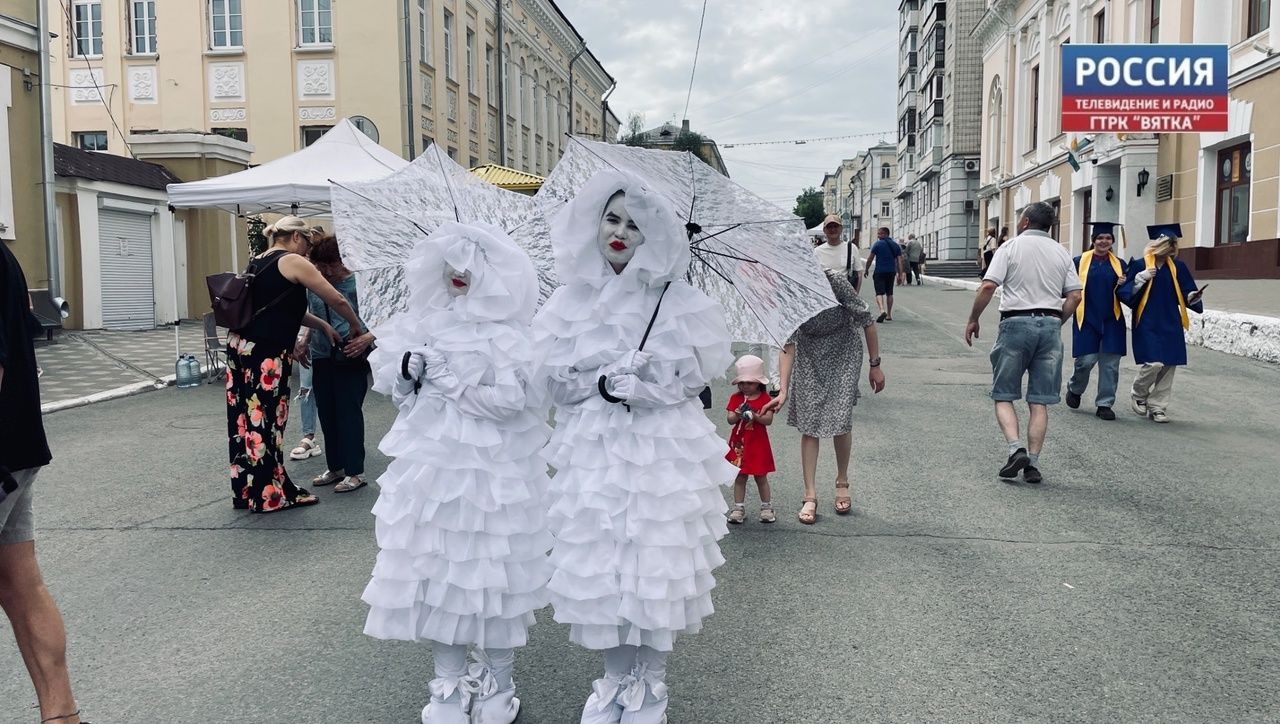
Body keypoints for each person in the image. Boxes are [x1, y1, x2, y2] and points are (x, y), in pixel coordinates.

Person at [532, 170, 735, 724]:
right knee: (604, 563)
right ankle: (615, 679)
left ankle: (650, 684)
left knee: (654, 560)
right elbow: (554, 385)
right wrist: (599, 378)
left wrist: (643, 388)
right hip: (593, 450)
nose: (620, 233)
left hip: (659, 450)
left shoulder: (676, 300)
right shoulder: (570, 299)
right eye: (612, 219)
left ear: (654, 235)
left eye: (634, 225)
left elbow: (692, 381)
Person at [362, 222, 551, 724]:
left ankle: (498, 684)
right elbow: (404, 401)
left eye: (470, 262)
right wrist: (408, 375)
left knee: (493, 575)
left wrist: (447, 381)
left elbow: (511, 403)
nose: (457, 272)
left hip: (494, 472)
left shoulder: (510, 335)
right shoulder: (423, 324)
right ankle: (447, 683)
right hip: (432, 469)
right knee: (436, 571)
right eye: (449, 262)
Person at [225, 216, 365, 513]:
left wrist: (321, 326)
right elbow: (337, 299)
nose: (308, 251)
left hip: (241, 347)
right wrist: (355, 326)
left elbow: (285, 309)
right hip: (267, 351)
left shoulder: (257, 260)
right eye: (308, 243)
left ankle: (248, 490)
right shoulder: (291, 260)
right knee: (267, 420)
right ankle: (270, 495)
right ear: (297, 237)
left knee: (245, 421)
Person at [0, 243, 86, 724]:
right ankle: (61, 715)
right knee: (19, 583)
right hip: (16, 446)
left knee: (20, 584)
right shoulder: (5, 256)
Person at [964, 202, 1082, 485]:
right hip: (1050, 325)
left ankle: (1016, 449)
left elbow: (988, 286)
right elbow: (1075, 296)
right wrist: (1056, 322)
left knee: (1003, 394)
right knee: (1039, 401)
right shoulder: (1061, 252)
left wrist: (973, 319)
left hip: (1016, 324)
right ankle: (1033, 465)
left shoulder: (1010, 247)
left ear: (1026, 221)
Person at [766, 269, 886, 523]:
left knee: (840, 418)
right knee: (810, 423)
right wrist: (783, 388)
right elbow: (788, 344)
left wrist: (875, 365)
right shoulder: (787, 292)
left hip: (844, 351)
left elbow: (866, 320)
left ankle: (842, 481)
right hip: (810, 355)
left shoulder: (833, 281)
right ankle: (810, 494)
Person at [297, 234, 374, 493]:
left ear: (342, 261)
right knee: (327, 411)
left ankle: (355, 472)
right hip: (321, 353)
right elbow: (313, 314)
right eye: (321, 267)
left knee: (348, 413)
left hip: (351, 353)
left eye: (330, 266)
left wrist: (367, 338)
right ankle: (336, 467)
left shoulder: (360, 283)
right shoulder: (316, 284)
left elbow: (384, 318)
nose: (326, 272)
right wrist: (305, 339)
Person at [1117, 224, 1204, 423]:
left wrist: (1192, 296)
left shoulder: (1178, 267)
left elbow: (1187, 292)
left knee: (1169, 365)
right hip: (1147, 320)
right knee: (1154, 362)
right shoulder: (1140, 265)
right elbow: (1124, 293)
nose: (1171, 248)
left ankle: (1157, 406)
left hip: (1170, 320)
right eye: (1167, 244)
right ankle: (1139, 393)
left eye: (1173, 245)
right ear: (1157, 244)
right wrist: (1140, 279)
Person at [1065, 222, 1128, 420]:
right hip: (1087, 317)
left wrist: (1124, 284)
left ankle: (1104, 404)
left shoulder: (1120, 265)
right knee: (1086, 361)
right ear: (1093, 240)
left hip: (1112, 319)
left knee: (1110, 364)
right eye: (1100, 238)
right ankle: (1075, 388)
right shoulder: (1078, 262)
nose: (1104, 241)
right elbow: (1066, 286)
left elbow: (1129, 295)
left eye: (1108, 238)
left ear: (1113, 241)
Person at [290, 226, 328, 462]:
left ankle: (336, 438)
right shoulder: (295, 267)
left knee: (328, 389)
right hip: (304, 334)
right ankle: (308, 436)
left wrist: (305, 337)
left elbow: (319, 308)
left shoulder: (320, 272)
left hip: (320, 336)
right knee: (306, 388)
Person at [724, 355, 776, 525]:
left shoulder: (765, 399)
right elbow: (730, 419)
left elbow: (768, 420)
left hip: (758, 443)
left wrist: (754, 415)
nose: (745, 386)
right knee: (740, 476)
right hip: (740, 443)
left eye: (750, 383)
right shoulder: (736, 398)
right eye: (742, 383)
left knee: (761, 476)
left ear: (759, 383)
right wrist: (737, 413)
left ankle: (766, 506)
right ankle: (738, 507)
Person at [813, 213, 863, 292]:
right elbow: (814, 276)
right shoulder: (817, 251)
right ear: (824, 230)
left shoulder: (851, 248)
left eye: (835, 226)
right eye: (829, 227)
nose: (833, 229)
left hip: (846, 294)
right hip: (826, 294)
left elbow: (859, 273)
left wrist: (855, 295)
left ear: (841, 228)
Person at [864, 227, 903, 322]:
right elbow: (899, 261)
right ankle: (889, 314)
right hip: (891, 272)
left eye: (880, 233)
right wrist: (900, 275)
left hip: (879, 272)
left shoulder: (877, 244)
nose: (878, 236)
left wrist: (866, 269)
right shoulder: (896, 245)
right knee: (890, 293)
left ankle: (882, 310)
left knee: (879, 293)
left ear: (886, 234)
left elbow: (870, 258)